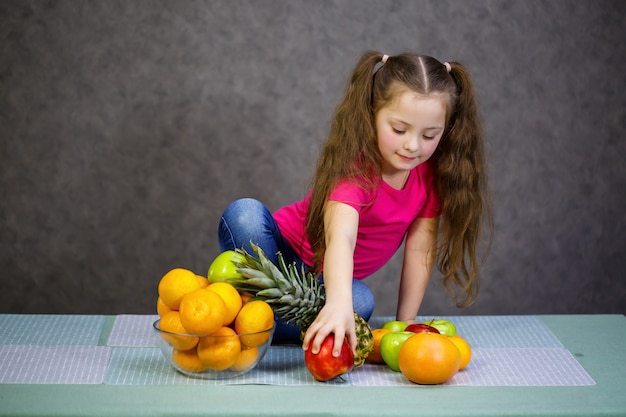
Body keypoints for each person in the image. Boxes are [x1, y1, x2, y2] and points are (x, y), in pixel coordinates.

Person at [218, 51, 492, 358]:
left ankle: (254, 317)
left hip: (323, 284)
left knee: (360, 304)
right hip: (279, 254)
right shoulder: (356, 170)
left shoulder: (431, 180)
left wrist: (407, 322)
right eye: (399, 130)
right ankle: (281, 316)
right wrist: (337, 303)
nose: (413, 145)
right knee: (244, 215)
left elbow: (420, 249)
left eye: (430, 135)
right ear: (372, 114)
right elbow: (342, 238)